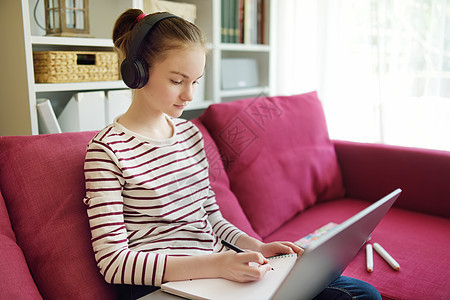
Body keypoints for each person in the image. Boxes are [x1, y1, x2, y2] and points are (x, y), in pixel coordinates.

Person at [83, 9, 381, 300]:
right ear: (137, 72)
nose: (189, 95)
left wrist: (256, 246)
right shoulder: (107, 150)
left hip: (217, 272)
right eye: (177, 80)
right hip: (163, 286)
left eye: (195, 81)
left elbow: (211, 216)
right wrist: (217, 266)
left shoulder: (189, 134)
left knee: (360, 294)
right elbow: (114, 263)